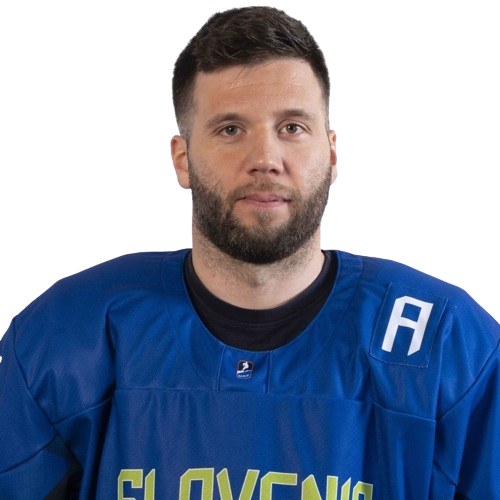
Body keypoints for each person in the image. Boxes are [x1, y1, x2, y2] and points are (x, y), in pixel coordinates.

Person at [0, 6, 498, 499]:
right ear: (182, 160)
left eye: (292, 127)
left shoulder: (450, 340)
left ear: (332, 154)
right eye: (230, 129)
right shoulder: (65, 334)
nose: (264, 159)